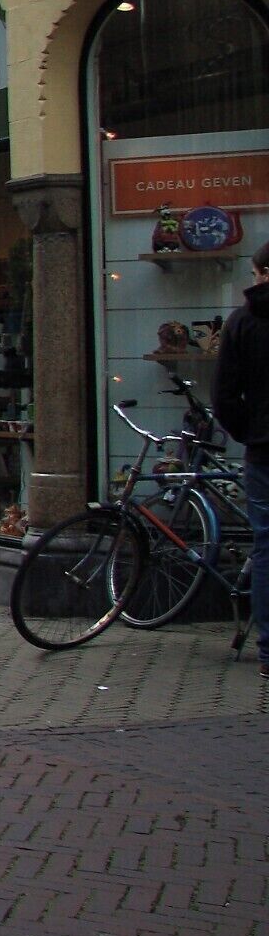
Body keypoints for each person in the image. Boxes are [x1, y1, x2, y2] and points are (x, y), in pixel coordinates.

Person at [210, 239, 269, 675]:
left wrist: (249, 431)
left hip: (264, 448)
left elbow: (224, 395)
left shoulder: (243, 321)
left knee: (267, 547)